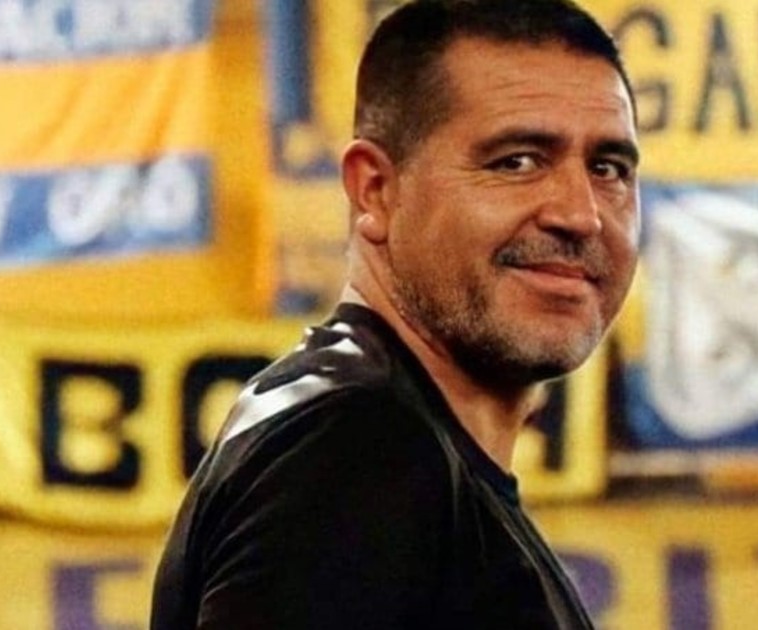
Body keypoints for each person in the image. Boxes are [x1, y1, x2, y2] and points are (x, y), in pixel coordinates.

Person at [151, 0, 639, 628]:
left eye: (608, 168)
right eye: (516, 161)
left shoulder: (385, 443)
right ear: (375, 191)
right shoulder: (355, 450)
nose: (580, 214)